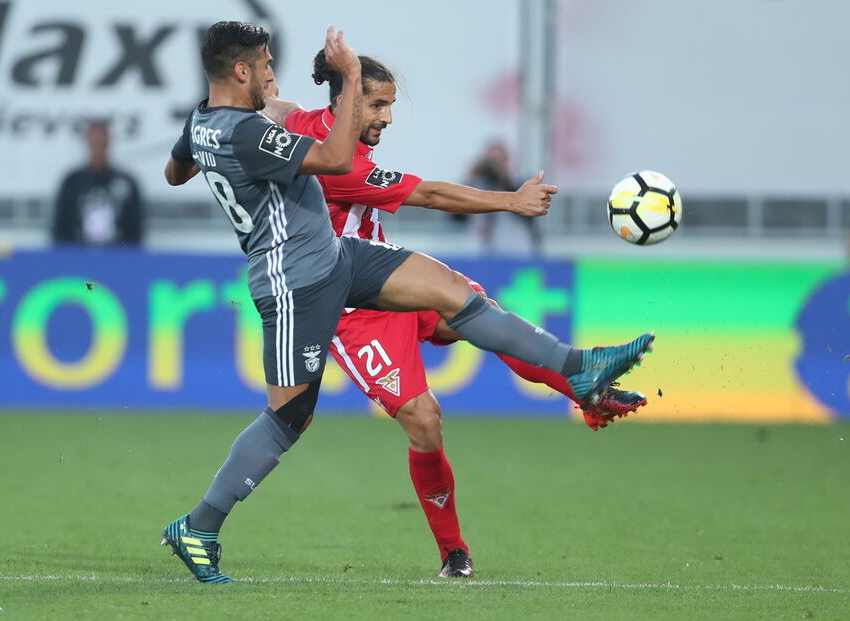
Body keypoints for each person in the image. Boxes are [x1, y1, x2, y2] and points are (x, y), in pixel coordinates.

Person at [160, 21, 654, 585]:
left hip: (339, 255)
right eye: (266, 65)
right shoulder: (265, 137)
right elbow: (353, 166)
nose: (275, 75)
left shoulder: (212, 121)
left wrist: (223, 136)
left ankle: (579, 371)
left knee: (455, 294)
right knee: (295, 415)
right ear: (242, 71)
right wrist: (347, 74)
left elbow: (177, 170)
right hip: (300, 283)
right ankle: (200, 526)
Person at [51, 120, 144, 246]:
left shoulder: (126, 183)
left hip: (116, 257)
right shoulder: (72, 182)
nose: (98, 147)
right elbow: (61, 226)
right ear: (87, 142)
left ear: (109, 143)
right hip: (78, 257)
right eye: (94, 141)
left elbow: (135, 229)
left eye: (102, 141)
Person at [466, 140, 543, 256]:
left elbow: (530, 214)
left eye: (499, 160)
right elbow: (456, 216)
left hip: (515, 249)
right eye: (490, 161)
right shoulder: (477, 186)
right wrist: (469, 177)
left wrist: (503, 178)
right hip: (482, 250)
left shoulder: (519, 185)